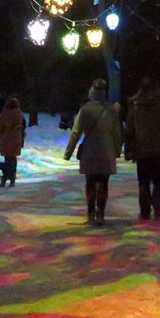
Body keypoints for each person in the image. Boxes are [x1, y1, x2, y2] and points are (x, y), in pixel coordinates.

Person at [64, 79, 122, 225]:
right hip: (106, 151)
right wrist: (116, 150)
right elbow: (117, 134)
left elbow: (76, 132)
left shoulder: (85, 110)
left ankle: (90, 212)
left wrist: (68, 152)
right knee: (103, 183)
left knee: (90, 183)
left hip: (89, 151)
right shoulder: (111, 110)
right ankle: (101, 213)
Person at [126, 77, 160, 221]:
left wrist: (128, 147)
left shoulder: (136, 105)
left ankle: (144, 211)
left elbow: (130, 128)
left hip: (141, 149)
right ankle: (157, 207)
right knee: (159, 181)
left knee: (143, 182)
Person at [0, 97, 25, 187]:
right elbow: (23, 127)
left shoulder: (5, 115)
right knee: (13, 158)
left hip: (6, 139)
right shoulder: (20, 114)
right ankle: (12, 178)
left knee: (7, 159)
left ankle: (5, 178)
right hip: (16, 139)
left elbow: (0, 127)